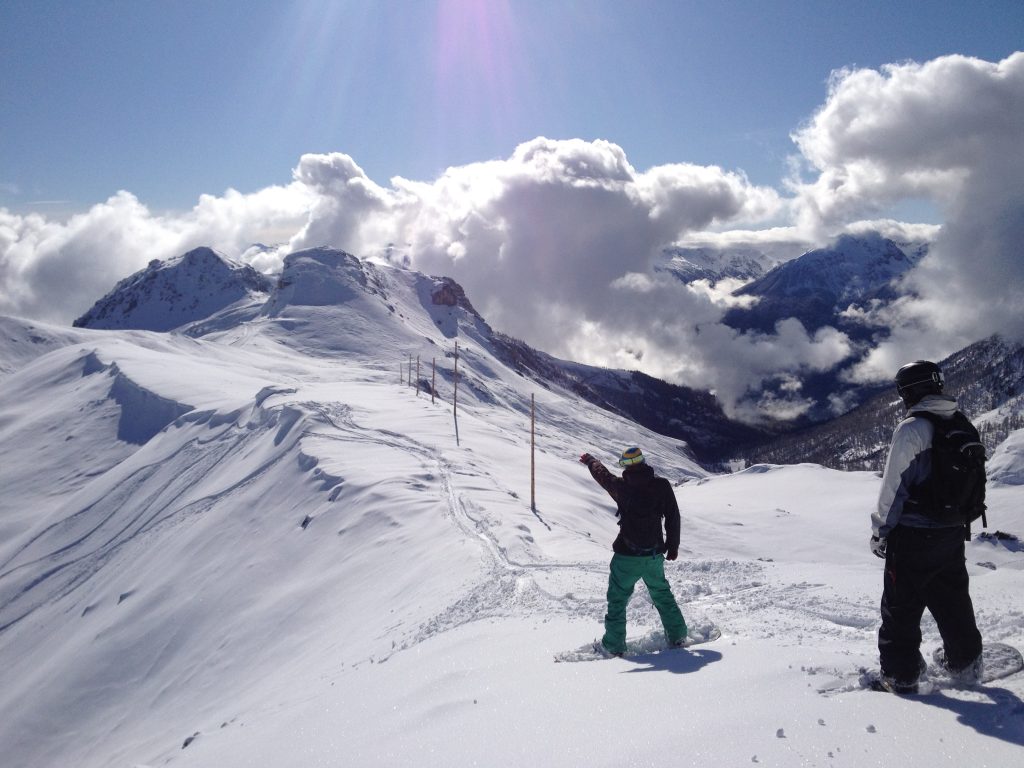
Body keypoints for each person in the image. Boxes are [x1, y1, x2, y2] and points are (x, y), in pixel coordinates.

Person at [870, 360, 983, 693]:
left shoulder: (913, 429)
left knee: (900, 606)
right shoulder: (961, 422)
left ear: (910, 391)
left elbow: (893, 488)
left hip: (914, 535)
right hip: (952, 532)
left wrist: (880, 532)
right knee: (953, 599)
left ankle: (900, 675)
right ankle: (965, 662)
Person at [580, 446, 688, 656]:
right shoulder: (661, 486)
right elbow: (673, 517)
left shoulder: (621, 487)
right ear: (643, 462)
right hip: (654, 555)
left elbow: (602, 475)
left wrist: (590, 460)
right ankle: (678, 635)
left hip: (626, 556)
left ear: (626, 466)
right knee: (662, 595)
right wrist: (673, 546)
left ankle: (614, 645)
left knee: (618, 600)